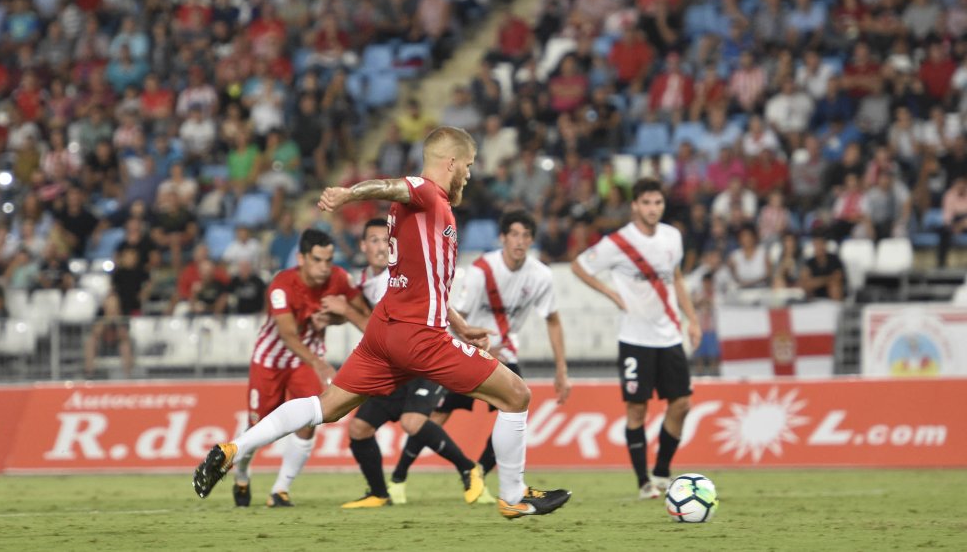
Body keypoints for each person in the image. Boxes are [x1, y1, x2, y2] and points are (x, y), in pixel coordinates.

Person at [194, 127, 571, 519]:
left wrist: (459, 324)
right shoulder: (427, 193)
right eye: (469, 166)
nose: (470, 175)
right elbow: (394, 186)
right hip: (419, 336)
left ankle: (234, 448)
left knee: (329, 407)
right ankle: (513, 495)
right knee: (516, 394)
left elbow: (426, 281)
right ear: (452, 163)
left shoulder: (426, 211)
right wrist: (348, 193)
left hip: (386, 330)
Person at [386, 209, 571, 505]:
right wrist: (478, 347)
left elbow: (553, 319)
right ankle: (398, 480)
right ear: (502, 238)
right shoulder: (482, 271)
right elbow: (459, 319)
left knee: (513, 410)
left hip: (506, 358)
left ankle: (479, 473)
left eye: (526, 236)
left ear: (532, 240)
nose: (520, 241)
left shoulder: (541, 276)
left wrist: (561, 369)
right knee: (435, 418)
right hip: (469, 355)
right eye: (514, 234)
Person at [334, 218, 488, 509]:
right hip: (395, 368)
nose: (381, 247)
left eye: (386, 240)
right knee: (359, 429)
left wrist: (345, 311)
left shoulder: (391, 279)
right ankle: (379, 493)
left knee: (412, 422)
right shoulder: (366, 279)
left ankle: (469, 468)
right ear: (363, 246)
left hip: (425, 359)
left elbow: (376, 331)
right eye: (375, 241)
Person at [571, 178, 700, 500]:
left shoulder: (673, 237)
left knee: (682, 404)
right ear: (635, 206)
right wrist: (610, 292)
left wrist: (692, 319)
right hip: (634, 338)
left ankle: (661, 472)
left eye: (657, 203)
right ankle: (644, 482)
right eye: (646, 203)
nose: (653, 209)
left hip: (669, 335)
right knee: (637, 411)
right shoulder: (618, 243)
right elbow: (579, 266)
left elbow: (678, 278)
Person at [231, 228, 370, 508]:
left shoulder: (340, 279)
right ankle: (242, 475)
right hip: (270, 362)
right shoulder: (281, 284)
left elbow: (365, 318)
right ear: (301, 258)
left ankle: (280, 491)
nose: (324, 267)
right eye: (317, 260)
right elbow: (288, 335)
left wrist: (335, 318)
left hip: (305, 363)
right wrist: (320, 363)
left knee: (309, 422)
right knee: (257, 428)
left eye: (328, 260)